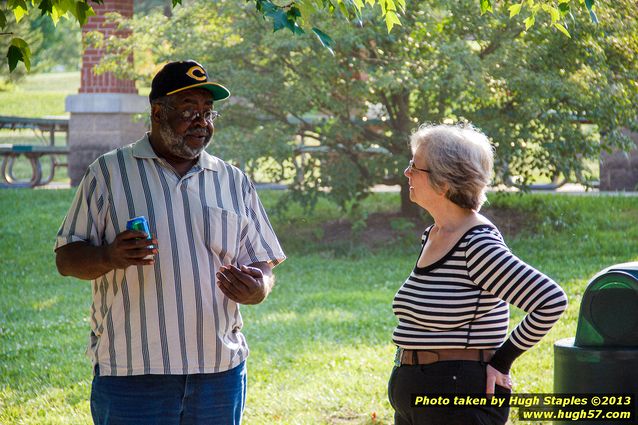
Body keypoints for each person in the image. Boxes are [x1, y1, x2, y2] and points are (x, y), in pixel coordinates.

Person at [54, 60, 286, 425]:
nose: (202, 122)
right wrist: (109, 255)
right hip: (131, 374)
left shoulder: (232, 180)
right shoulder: (109, 173)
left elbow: (262, 263)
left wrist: (258, 288)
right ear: (158, 112)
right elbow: (67, 258)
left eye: (208, 113)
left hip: (218, 373)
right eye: (190, 111)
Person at [387, 123, 568, 425]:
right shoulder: (433, 234)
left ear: (443, 183)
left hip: (458, 396)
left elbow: (550, 300)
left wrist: (502, 360)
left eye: (414, 166)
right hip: (418, 395)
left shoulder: (477, 243)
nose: (407, 173)